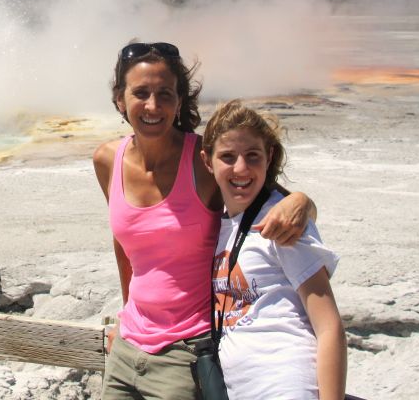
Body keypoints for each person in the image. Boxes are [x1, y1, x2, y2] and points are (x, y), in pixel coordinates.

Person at [94, 42, 317, 400]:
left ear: (180, 100)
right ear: (120, 99)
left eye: (165, 93)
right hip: (126, 348)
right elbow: (125, 243)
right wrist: (125, 315)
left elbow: (273, 197)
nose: (153, 106)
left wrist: (305, 202)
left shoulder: (203, 160)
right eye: (141, 93)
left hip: (188, 352)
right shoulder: (107, 159)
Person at [201, 100, 346, 400]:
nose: (241, 168)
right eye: (227, 156)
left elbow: (329, 326)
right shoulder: (219, 225)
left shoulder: (282, 225)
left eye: (252, 156)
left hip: (285, 384)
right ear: (207, 161)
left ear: (268, 158)